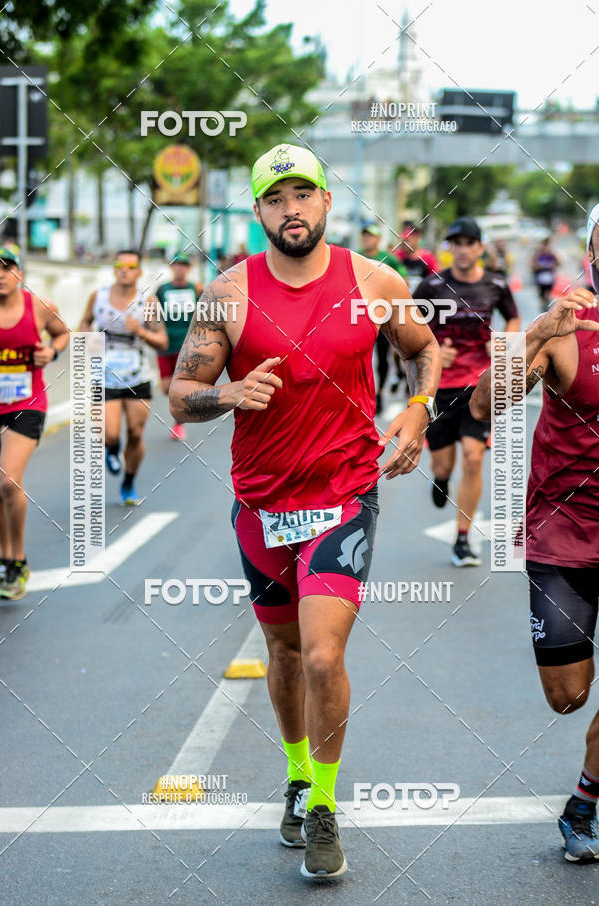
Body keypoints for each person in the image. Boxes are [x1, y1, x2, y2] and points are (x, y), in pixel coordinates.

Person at [170, 143, 441, 880]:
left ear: (326, 200)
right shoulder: (228, 294)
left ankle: (323, 804)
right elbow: (181, 396)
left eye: (302, 194)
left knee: (323, 654)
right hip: (261, 500)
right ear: (259, 211)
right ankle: (297, 776)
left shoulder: (373, 280)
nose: (291, 209)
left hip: (342, 494)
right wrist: (227, 393)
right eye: (275, 198)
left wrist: (418, 410)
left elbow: (424, 348)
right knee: (285, 653)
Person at [470, 203, 599, 862]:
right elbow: (481, 405)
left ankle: (586, 800)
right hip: (562, 535)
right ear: (592, 251)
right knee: (567, 696)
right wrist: (536, 335)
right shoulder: (567, 329)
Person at [414, 216, 520, 567]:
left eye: (469, 243)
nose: (462, 250)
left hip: (479, 388)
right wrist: (431, 350)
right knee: (443, 463)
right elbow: (408, 326)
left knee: (474, 459)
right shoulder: (432, 285)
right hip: (440, 388)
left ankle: (463, 539)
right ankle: (441, 478)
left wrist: (502, 343)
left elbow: (513, 318)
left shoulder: (496, 283)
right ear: (451, 248)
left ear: (480, 247)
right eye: (456, 243)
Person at [0, 245, 69, 598]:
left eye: (6, 267)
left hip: (26, 402)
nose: (0, 274)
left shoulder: (39, 307)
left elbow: (63, 333)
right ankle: (6, 559)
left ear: (20, 274)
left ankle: (17, 559)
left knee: (8, 481)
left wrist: (52, 351)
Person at [79, 250, 167, 505]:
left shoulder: (147, 302)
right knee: (109, 434)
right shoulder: (98, 296)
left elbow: (162, 340)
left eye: (130, 267)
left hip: (138, 375)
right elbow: (85, 322)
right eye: (119, 265)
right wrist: (88, 339)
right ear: (114, 269)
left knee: (136, 433)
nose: (124, 270)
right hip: (105, 374)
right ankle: (113, 449)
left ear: (139, 272)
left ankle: (128, 482)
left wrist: (141, 331)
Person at [358, 223, 407, 413]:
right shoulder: (355, 257)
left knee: (382, 358)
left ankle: (378, 394)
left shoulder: (389, 259)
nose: (367, 239)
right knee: (360, 358)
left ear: (378, 239)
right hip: (359, 315)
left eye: (371, 236)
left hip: (382, 316)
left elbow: (403, 280)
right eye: (365, 235)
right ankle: (363, 394)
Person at [155, 253, 203, 441]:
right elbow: (153, 314)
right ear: (171, 266)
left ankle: (178, 423)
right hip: (166, 344)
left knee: (180, 387)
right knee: (166, 388)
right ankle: (180, 415)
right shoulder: (162, 289)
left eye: (184, 264)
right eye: (177, 264)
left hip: (187, 345)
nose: (180, 268)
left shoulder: (196, 289)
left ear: (189, 268)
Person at [394, 223, 438, 293]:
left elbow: (436, 280)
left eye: (407, 240)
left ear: (417, 239)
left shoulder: (427, 257)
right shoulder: (398, 256)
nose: (404, 243)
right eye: (403, 240)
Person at [531, 237, 560, 309]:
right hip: (540, 277)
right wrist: (540, 267)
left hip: (549, 277)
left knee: (548, 292)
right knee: (542, 293)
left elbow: (559, 263)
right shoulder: (538, 254)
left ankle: (547, 305)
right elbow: (532, 265)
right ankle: (543, 304)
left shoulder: (552, 254)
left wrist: (552, 265)